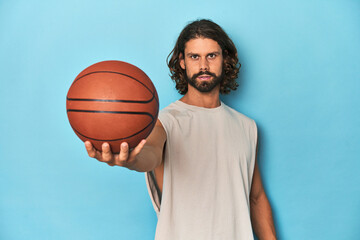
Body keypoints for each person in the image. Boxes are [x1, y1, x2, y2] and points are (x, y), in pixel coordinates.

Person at [85, 19, 277, 240]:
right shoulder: (165, 122)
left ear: (225, 59)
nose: (203, 65)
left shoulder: (246, 126)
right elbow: (149, 154)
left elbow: (257, 198)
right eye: (194, 56)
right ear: (182, 62)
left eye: (211, 55)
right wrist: (129, 159)